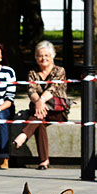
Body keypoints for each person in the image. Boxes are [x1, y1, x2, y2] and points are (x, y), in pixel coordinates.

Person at [12, 40, 68, 170]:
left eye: (46, 55)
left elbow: (53, 89)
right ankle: (44, 161)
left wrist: (40, 102)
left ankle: (23, 135)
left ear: (52, 56)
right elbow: (31, 90)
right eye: (40, 56)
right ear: (36, 57)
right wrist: (38, 103)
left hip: (57, 110)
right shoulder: (32, 73)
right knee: (40, 120)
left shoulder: (60, 70)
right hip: (39, 112)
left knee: (38, 115)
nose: (43, 58)